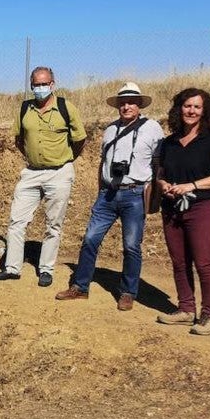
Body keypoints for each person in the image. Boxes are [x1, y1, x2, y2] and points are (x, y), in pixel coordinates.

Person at [55, 83, 164, 310]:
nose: (126, 106)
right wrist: (99, 190)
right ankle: (80, 287)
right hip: (107, 194)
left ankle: (127, 292)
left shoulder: (153, 128)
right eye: (122, 103)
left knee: (131, 245)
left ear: (139, 105)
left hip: (135, 193)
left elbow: (160, 162)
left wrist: (156, 193)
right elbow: (102, 163)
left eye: (131, 102)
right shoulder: (110, 129)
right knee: (90, 240)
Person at [0, 66, 87, 287]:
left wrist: (68, 158)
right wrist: (32, 157)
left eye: (44, 84)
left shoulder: (65, 107)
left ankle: (46, 269)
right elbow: (18, 138)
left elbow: (80, 138)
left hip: (59, 172)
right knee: (17, 220)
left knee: (53, 224)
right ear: (31, 85)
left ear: (53, 84)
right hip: (31, 172)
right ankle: (12, 268)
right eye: (36, 84)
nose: (40, 88)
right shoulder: (25, 108)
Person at [154, 87, 210, 335]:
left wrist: (193, 185)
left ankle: (209, 315)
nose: (191, 111)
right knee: (179, 261)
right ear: (179, 108)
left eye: (197, 107)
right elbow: (160, 172)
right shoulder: (169, 142)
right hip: (172, 209)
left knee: (205, 263)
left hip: (202, 207)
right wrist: (163, 184)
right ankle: (186, 309)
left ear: (204, 111)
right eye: (187, 106)